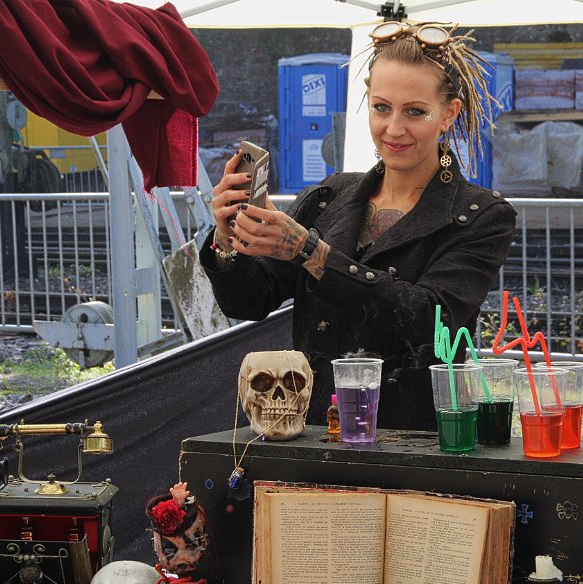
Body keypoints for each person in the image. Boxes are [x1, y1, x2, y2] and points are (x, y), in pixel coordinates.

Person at [201, 22, 516, 431]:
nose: (394, 129)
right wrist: (228, 239)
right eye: (381, 107)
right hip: (317, 432)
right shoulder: (330, 196)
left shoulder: (480, 215)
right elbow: (250, 301)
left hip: (412, 440)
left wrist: (311, 252)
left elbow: (431, 321)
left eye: (414, 111)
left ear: (448, 114)